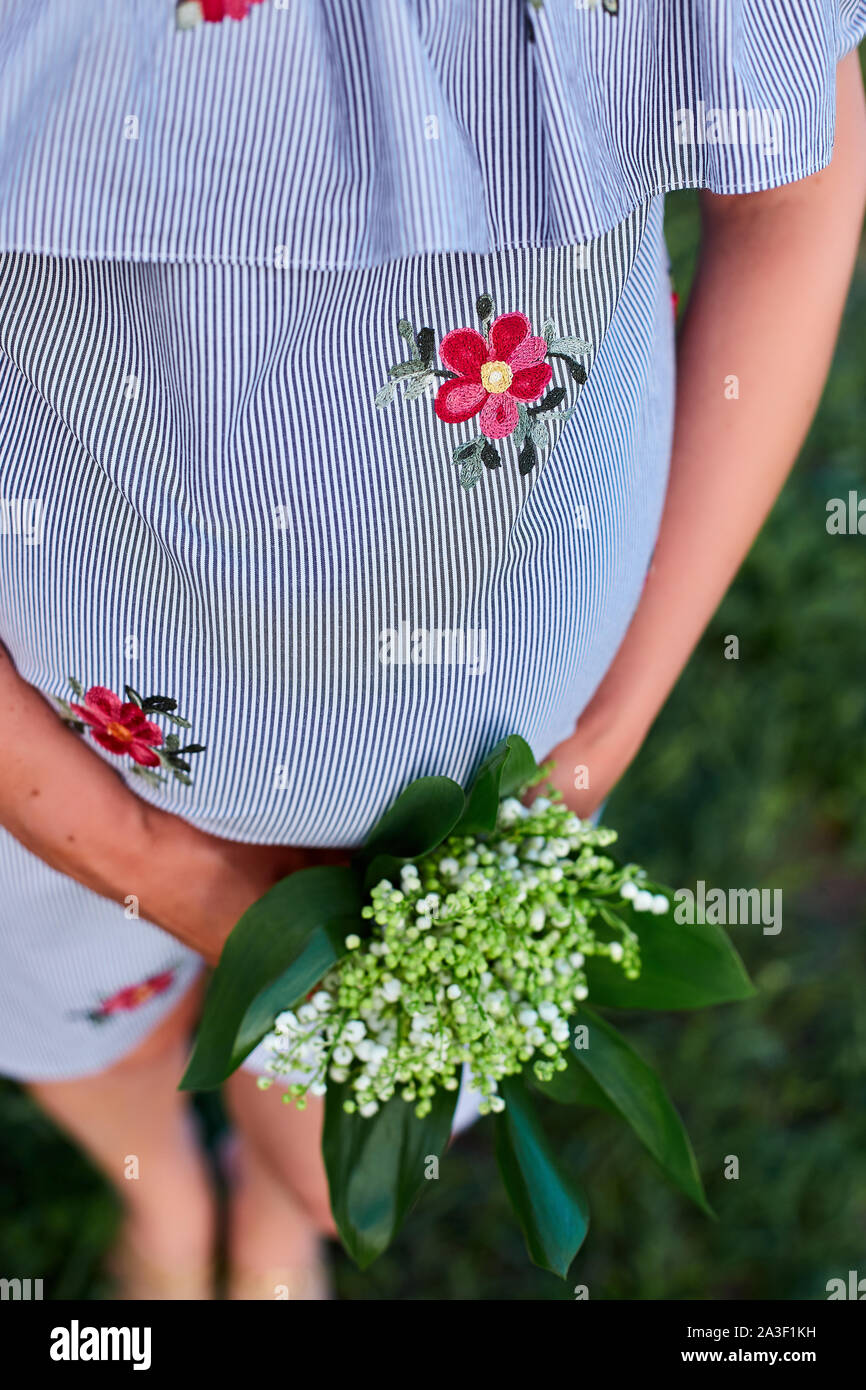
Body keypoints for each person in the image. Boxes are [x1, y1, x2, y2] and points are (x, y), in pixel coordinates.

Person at [1, 0, 864, 1299]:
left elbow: (790, 180)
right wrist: (139, 856)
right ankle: (165, 1192)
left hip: (464, 790)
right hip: (43, 755)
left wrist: (606, 733)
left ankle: (275, 1207)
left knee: (327, 1159)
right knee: (80, 1016)